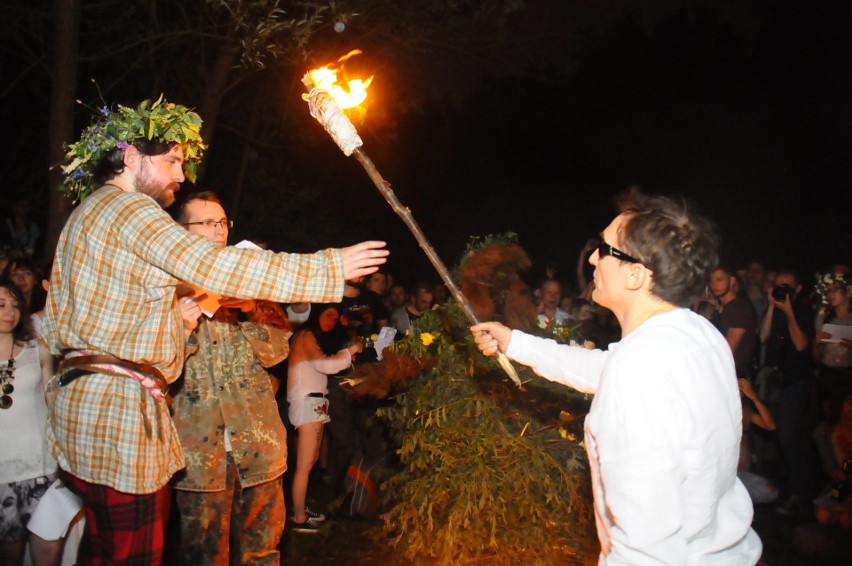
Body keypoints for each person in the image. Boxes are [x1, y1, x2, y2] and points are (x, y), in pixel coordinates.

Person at [42, 97, 387, 564]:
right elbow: (210, 264)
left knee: (107, 552)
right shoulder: (126, 209)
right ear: (129, 158)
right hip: (117, 413)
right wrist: (327, 266)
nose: (181, 176)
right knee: (133, 555)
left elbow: (107, 321)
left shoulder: (91, 218)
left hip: (96, 408)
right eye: (173, 161)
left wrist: (175, 322)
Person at [472, 190, 762, 564]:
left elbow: (643, 546)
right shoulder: (697, 334)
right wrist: (516, 343)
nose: (593, 256)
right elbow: (606, 369)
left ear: (636, 275)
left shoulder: (639, 372)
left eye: (606, 249)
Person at [167, 191, 293, 564]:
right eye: (206, 222)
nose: (218, 230)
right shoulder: (164, 291)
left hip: (258, 447)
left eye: (222, 222)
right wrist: (183, 324)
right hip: (199, 454)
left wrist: (251, 309)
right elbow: (158, 366)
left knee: (263, 553)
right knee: (203, 554)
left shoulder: (252, 283)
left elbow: (279, 352)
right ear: (180, 230)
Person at [0, 280, 62, 565]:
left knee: (48, 549)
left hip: (42, 467)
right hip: (3, 474)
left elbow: (54, 401)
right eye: (1, 305)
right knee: (10, 552)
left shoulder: (38, 348)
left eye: (15, 305)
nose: (9, 312)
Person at [287, 304, 362, 533]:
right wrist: (350, 352)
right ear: (316, 313)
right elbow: (326, 365)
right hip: (307, 402)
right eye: (327, 315)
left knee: (309, 462)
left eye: (335, 317)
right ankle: (299, 518)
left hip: (314, 402)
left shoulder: (311, 336)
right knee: (304, 464)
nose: (331, 321)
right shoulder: (305, 335)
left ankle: (301, 509)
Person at [759, 269, 817, 515]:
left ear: (798, 289)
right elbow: (763, 336)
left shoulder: (804, 312)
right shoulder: (774, 310)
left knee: (790, 439)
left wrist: (790, 312)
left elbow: (802, 344)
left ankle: (801, 494)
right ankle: (791, 486)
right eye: (779, 286)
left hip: (795, 382)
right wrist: (773, 306)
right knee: (781, 437)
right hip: (774, 383)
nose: (783, 290)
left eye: (787, 287)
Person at [708, 265, 758, 379]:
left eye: (719, 280)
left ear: (732, 281)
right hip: (729, 372)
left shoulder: (738, 308)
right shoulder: (727, 307)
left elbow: (728, 349)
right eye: (711, 281)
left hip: (734, 374)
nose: (714, 285)